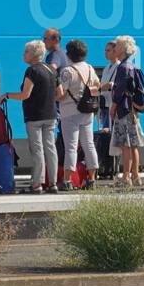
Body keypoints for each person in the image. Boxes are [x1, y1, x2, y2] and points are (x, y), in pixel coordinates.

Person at [0, 40, 58, 194]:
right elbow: (60, 93)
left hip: (35, 116)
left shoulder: (32, 71)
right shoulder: (51, 69)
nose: (23, 55)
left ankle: (37, 184)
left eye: (26, 52)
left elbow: (25, 95)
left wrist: (7, 95)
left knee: (37, 149)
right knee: (50, 148)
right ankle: (52, 183)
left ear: (33, 54)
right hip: (51, 114)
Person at [58, 40, 101, 191]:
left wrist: (56, 94)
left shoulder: (67, 71)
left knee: (71, 146)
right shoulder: (89, 68)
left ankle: (67, 180)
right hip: (87, 112)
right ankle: (92, 179)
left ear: (69, 54)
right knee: (89, 145)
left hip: (69, 113)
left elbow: (61, 95)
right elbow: (97, 86)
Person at [109, 34, 144, 188]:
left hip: (123, 110)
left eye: (117, 46)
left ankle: (126, 177)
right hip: (132, 111)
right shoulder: (132, 66)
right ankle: (136, 176)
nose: (115, 48)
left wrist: (113, 107)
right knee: (133, 145)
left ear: (123, 49)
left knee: (125, 145)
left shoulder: (123, 67)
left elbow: (119, 91)